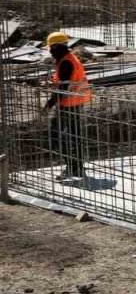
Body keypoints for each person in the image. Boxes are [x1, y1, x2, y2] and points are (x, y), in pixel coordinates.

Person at [41, 32, 93, 182]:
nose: (50, 51)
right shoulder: (66, 59)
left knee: (59, 136)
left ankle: (72, 166)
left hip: (70, 103)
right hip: (74, 102)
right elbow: (64, 83)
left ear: (57, 47)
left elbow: (62, 89)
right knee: (73, 136)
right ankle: (75, 167)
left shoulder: (66, 62)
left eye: (51, 48)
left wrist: (48, 106)